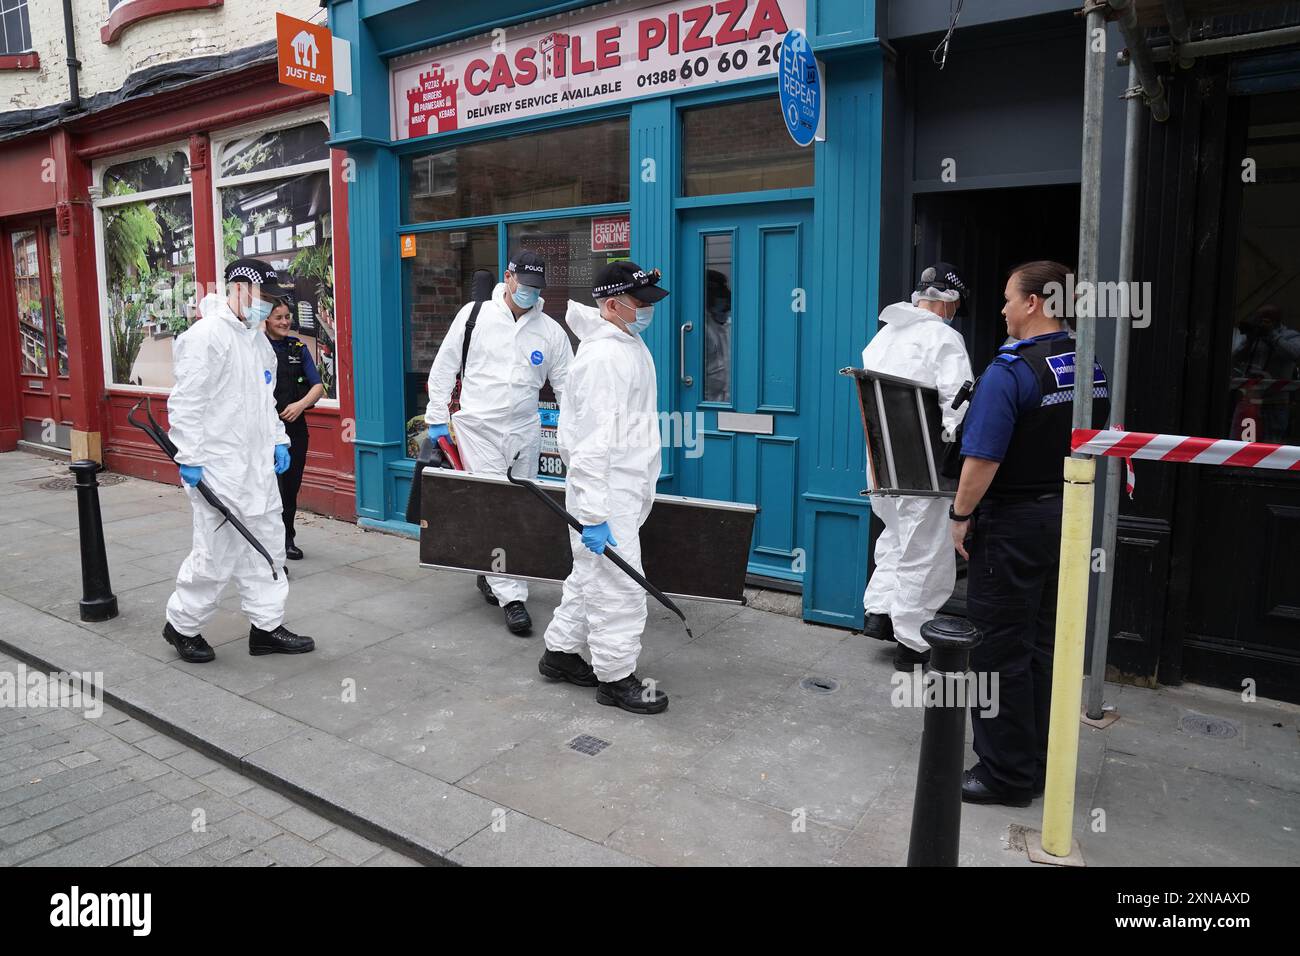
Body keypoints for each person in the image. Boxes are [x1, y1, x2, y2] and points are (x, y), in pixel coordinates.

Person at [949, 260, 1109, 807]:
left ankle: (1005, 774)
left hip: (1013, 522)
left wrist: (959, 514)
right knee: (1045, 645)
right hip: (1066, 515)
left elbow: (982, 457)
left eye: (1008, 299)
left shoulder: (1010, 370)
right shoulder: (1089, 364)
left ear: (1035, 302)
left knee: (997, 651)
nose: (1002, 309)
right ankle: (1038, 759)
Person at [162, 259, 315, 663]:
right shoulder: (206, 336)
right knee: (215, 555)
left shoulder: (256, 340)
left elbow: (266, 400)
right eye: (264, 297)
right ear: (240, 288)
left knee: (267, 547)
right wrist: (190, 458)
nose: (268, 306)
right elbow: (186, 403)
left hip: (256, 466)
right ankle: (182, 624)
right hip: (218, 467)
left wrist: (279, 440)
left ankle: (266, 627)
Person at [537, 261, 670, 715]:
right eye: (640, 304)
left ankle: (559, 654)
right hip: (606, 493)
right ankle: (615, 679)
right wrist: (594, 516)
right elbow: (592, 445)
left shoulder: (625, 343)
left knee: (590, 577)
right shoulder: (605, 357)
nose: (647, 311)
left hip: (621, 489)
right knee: (621, 587)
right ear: (612, 305)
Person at [424, 251, 573, 635]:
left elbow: (568, 389)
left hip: (525, 429)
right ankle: (514, 598)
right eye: (523, 285)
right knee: (496, 507)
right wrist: (436, 418)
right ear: (508, 278)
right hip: (479, 428)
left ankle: (488, 570)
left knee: (521, 509)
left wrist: (576, 435)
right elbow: (444, 367)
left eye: (536, 288)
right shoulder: (475, 316)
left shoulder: (550, 331)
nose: (528, 293)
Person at [860, 262, 974, 670]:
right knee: (926, 549)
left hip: (881, 459)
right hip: (924, 463)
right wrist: (959, 458)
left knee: (895, 535)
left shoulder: (884, 336)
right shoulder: (944, 337)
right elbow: (958, 401)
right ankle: (913, 643)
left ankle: (880, 613)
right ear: (951, 302)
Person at [265, 299, 325, 560]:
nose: (284, 322)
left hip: (294, 429)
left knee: (289, 488)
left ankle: (287, 538)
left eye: (287, 316)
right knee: (266, 488)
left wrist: (300, 406)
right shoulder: (256, 348)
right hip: (263, 429)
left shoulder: (298, 348)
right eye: (278, 317)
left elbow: (318, 386)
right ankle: (266, 541)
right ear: (267, 320)